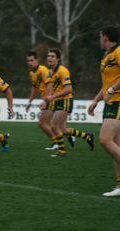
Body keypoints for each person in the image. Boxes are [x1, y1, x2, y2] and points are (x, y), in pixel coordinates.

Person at [88, 26, 120, 197]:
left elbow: (112, 85)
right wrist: (95, 100)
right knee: (116, 143)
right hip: (110, 102)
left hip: (118, 102)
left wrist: (112, 90)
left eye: (100, 36)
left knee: (105, 139)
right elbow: (106, 84)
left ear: (105, 37)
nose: (99, 40)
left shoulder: (119, 52)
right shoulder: (106, 57)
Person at [44, 48, 93, 157]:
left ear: (58, 59)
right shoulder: (51, 72)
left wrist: (53, 96)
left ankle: (62, 151)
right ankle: (87, 136)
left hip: (65, 100)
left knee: (53, 125)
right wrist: (47, 101)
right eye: (48, 56)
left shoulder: (62, 70)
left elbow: (69, 89)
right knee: (62, 130)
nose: (49, 58)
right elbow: (52, 88)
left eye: (52, 56)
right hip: (58, 101)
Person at [26, 51, 75, 150]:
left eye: (32, 60)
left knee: (43, 123)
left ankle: (56, 142)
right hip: (50, 98)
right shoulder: (32, 73)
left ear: (37, 60)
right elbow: (35, 88)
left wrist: (47, 100)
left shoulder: (43, 70)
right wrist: (29, 102)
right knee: (60, 127)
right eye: (28, 61)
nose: (30, 62)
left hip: (51, 98)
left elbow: (49, 85)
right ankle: (68, 136)